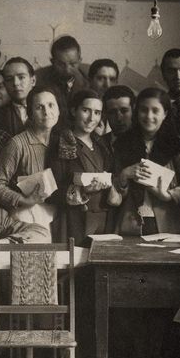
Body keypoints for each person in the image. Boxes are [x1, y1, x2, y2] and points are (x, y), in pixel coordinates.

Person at [111, 87, 180, 235]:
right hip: (129, 225)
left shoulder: (174, 144)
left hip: (167, 224)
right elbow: (112, 192)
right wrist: (124, 176)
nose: (149, 116)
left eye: (155, 110)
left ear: (165, 114)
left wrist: (171, 194)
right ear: (136, 113)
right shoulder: (122, 144)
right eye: (143, 110)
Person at [0, 86, 62, 231]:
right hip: (28, 216)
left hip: (58, 216)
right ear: (30, 114)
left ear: (59, 110)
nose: (46, 112)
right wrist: (24, 200)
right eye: (39, 107)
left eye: (51, 105)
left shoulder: (62, 141)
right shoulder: (18, 144)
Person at [49, 89, 117, 245]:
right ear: (74, 111)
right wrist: (83, 191)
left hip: (106, 220)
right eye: (86, 110)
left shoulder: (102, 145)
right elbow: (52, 191)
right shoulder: (61, 143)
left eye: (97, 113)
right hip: (76, 221)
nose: (91, 118)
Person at [34, 35, 89, 113]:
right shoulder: (39, 80)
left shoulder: (90, 79)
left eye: (73, 64)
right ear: (52, 62)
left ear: (80, 60)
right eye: (61, 64)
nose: (67, 69)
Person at [0, 57, 36, 135]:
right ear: (5, 85)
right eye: (9, 79)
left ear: (33, 81)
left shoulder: (49, 108)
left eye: (21, 77)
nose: (15, 83)